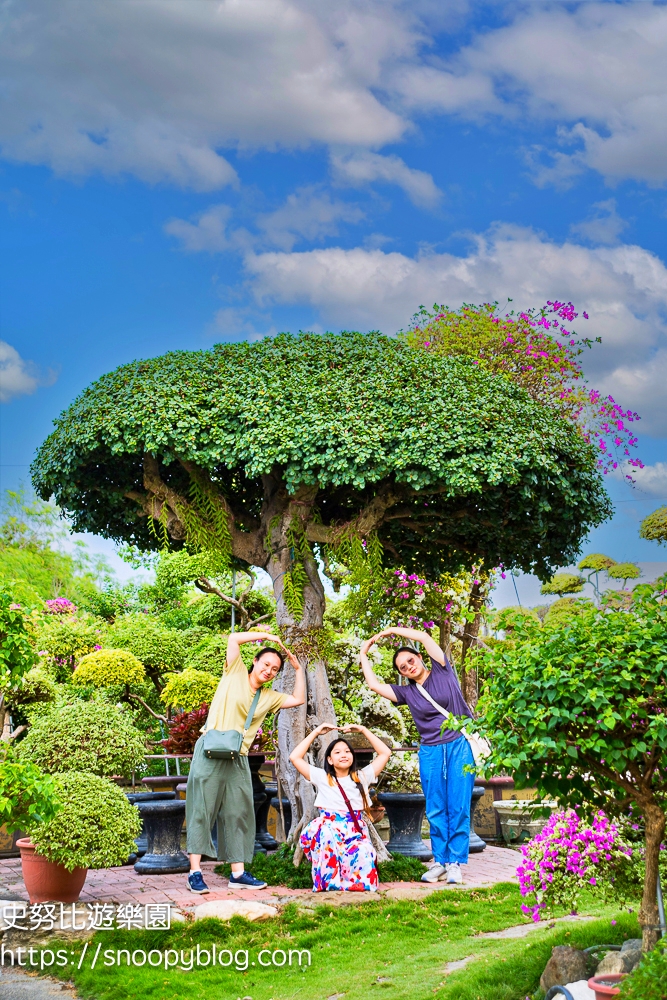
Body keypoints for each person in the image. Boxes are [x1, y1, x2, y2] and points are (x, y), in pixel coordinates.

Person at [186, 630, 304, 893]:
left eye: (275, 669)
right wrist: (269, 637)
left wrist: (296, 670)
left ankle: (237, 874)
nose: (269, 671)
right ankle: (194, 871)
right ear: (255, 662)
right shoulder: (235, 672)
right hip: (209, 751)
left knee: (239, 812)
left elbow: (298, 699)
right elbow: (233, 638)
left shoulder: (269, 697)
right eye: (266, 664)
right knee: (202, 809)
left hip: (238, 757)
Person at [359, 626, 474, 885]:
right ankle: (441, 862)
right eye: (402, 667)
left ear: (420, 658)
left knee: (458, 803)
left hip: (459, 745)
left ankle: (455, 862)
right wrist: (364, 654)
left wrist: (389, 631)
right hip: (430, 750)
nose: (408, 667)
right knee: (435, 807)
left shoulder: (443, 671)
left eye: (410, 660)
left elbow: (423, 637)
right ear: (401, 674)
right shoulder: (407, 693)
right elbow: (373, 684)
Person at [290, 723, 391, 892]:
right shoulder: (322, 777)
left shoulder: (362, 777)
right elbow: (295, 757)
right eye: (337, 752)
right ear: (330, 759)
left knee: (364, 853)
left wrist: (364, 730)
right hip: (329, 829)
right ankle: (330, 887)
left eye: (347, 751)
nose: (343, 755)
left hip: (354, 831)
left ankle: (354, 887)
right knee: (327, 840)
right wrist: (316, 732)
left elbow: (385, 753)